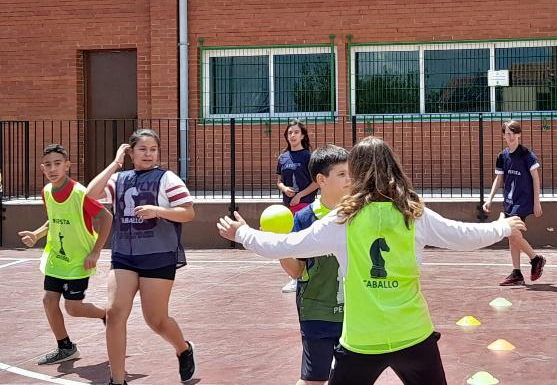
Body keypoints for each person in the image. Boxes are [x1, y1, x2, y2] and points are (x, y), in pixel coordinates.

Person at [218, 136, 526, 385]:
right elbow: (462, 236)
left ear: (356, 172)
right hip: (413, 335)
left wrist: (244, 234)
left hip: (362, 341)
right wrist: (502, 227)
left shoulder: (344, 219)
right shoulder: (412, 213)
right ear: (393, 167)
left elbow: (288, 244)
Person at [86, 129, 196, 385]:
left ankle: (183, 348)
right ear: (131, 153)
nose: (148, 154)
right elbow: (90, 194)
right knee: (114, 313)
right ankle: (118, 379)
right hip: (124, 255)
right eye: (142, 149)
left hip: (158, 255)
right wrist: (114, 163)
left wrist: (159, 210)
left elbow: (188, 213)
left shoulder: (167, 178)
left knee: (155, 320)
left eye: (153, 149)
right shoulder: (119, 179)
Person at [18, 144, 111, 365]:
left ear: (67, 165)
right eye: (48, 165)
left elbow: (107, 217)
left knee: (73, 308)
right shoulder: (47, 192)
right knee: (48, 301)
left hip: (79, 261)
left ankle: (107, 314)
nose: (52, 168)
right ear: (42, 168)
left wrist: (96, 252)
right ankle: (65, 347)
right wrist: (37, 234)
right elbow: (54, 219)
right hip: (56, 259)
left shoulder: (80, 193)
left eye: (57, 164)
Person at [279, 144, 349, 385]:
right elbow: (297, 270)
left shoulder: (360, 214)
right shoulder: (306, 218)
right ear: (321, 179)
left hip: (356, 313)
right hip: (317, 310)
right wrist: (280, 244)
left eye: (351, 174)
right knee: (314, 379)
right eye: (342, 174)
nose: (350, 180)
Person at [482, 120, 546, 286]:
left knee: (510, 232)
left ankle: (535, 259)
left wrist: (536, 202)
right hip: (509, 201)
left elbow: (535, 179)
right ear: (503, 135)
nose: (509, 136)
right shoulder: (502, 156)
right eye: (506, 133)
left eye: (512, 133)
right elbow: (499, 178)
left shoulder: (526, 155)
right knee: (512, 236)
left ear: (519, 134)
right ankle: (517, 272)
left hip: (523, 201)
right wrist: (489, 199)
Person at [277, 119, 319, 293]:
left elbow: (317, 182)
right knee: (289, 241)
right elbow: (279, 181)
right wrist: (284, 188)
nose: (292, 135)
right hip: (287, 206)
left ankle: (307, 274)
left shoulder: (308, 157)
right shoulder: (283, 157)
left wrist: (300, 195)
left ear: (302, 135)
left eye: (295, 132)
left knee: (303, 240)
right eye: (289, 133)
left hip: (304, 205)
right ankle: (294, 277)